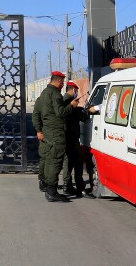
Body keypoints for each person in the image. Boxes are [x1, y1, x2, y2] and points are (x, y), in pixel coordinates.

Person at [33, 71, 78, 202]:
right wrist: (71, 106)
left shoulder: (45, 93)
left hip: (48, 131)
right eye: (62, 82)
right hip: (55, 132)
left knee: (49, 159)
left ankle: (48, 187)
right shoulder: (55, 94)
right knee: (55, 161)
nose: (63, 84)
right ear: (58, 81)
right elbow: (60, 112)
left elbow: (39, 113)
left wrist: (39, 130)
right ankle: (51, 192)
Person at [60, 82, 98, 198]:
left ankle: (68, 186)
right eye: (76, 90)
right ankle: (79, 188)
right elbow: (75, 114)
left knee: (69, 162)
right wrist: (87, 112)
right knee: (76, 161)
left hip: (68, 136)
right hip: (70, 136)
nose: (77, 93)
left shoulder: (65, 100)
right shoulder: (67, 101)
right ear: (71, 89)